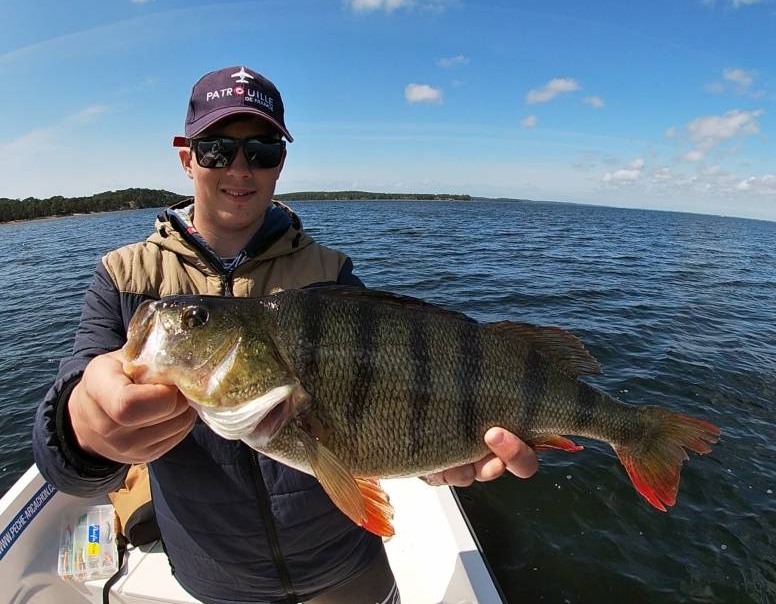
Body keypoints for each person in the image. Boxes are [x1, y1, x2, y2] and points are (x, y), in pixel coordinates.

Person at [32, 65, 539, 604]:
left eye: (263, 149)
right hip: (216, 581)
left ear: (281, 163)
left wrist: (436, 462)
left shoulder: (330, 274)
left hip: (345, 565)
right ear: (186, 157)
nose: (240, 168)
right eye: (217, 149)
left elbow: (392, 402)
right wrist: (83, 426)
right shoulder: (126, 279)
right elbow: (63, 455)